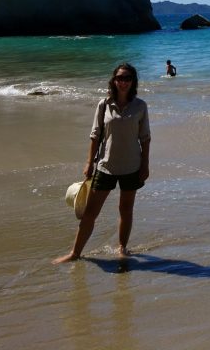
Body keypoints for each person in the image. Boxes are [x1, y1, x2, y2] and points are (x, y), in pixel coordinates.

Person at [54, 62, 151, 264]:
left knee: (126, 210)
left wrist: (145, 165)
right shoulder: (104, 104)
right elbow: (95, 136)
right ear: (113, 80)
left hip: (132, 166)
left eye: (127, 78)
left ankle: (122, 248)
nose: (123, 82)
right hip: (105, 166)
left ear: (133, 82)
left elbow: (145, 138)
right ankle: (75, 253)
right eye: (119, 78)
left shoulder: (140, 106)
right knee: (90, 213)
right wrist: (89, 163)